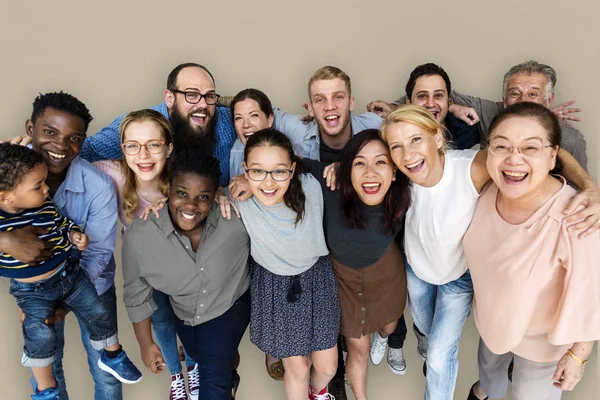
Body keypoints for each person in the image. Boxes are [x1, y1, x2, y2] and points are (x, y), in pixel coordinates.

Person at [379, 104, 600, 399]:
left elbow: (590, 292)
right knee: (448, 345)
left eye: (417, 140)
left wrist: (588, 185)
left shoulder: (474, 170)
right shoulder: (487, 184)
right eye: (397, 146)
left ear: (437, 138)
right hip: (442, 286)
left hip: (471, 290)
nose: (407, 153)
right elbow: (367, 161)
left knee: (439, 358)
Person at [464, 102, 600, 400]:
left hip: (541, 346)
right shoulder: (486, 190)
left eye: (530, 148)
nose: (514, 159)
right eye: (502, 147)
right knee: (490, 376)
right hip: (492, 323)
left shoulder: (577, 218)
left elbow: (592, 293)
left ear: (553, 157)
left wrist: (578, 355)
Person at [0, 92, 127, 400]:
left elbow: (97, 253)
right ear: (31, 127)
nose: (60, 146)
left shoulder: (97, 186)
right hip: (35, 289)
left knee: (106, 372)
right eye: (50, 132)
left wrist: (67, 298)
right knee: (46, 366)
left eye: (74, 138)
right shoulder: (5, 164)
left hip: (89, 282)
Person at [122, 149, 251, 400]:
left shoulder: (236, 219)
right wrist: (146, 343)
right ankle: (228, 373)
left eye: (203, 196)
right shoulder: (141, 235)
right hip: (184, 311)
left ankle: (223, 377)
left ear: (215, 196)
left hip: (229, 306)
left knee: (212, 382)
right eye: (182, 193)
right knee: (206, 357)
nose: (191, 205)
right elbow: (136, 294)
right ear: (168, 189)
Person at [94, 109, 202, 400]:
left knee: (191, 316)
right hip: (146, 271)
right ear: (123, 149)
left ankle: (193, 368)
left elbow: (214, 191)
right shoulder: (113, 173)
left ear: (168, 148)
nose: (143, 155)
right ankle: (176, 375)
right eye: (133, 145)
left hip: (186, 267)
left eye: (153, 144)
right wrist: (27, 145)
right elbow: (64, 158)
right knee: (161, 317)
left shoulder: (184, 176)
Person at [231, 129, 339, 400]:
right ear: (245, 170)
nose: (268, 182)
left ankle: (317, 393)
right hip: (276, 285)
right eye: (257, 171)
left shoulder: (311, 187)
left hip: (317, 279)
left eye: (278, 171)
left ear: (292, 170)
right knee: (298, 368)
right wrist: (225, 193)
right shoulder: (238, 200)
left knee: (328, 367)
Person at [302, 130, 411, 400]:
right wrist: (244, 180)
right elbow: (285, 162)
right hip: (344, 281)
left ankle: (385, 338)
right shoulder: (331, 184)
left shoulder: (404, 194)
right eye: (360, 163)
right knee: (358, 348)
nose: (370, 173)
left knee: (388, 326)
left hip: (386, 272)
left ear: (395, 171)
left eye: (381, 162)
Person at [80, 63, 236, 186]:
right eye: (191, 95)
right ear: (169, 98)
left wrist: (246, 179)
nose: (203, 105)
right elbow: (87, 150)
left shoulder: (230, 120)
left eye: (209, 96)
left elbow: (258, 136)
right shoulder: (139, 126)